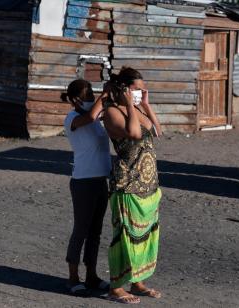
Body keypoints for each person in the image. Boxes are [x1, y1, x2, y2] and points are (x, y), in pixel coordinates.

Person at [101, 67, 163, 304]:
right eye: (137, 90)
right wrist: (129, 105)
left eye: (142, 90)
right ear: (125, 90)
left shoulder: (138, 109)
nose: (140, 93)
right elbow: (135, 133)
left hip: (148, 183)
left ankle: (137, 281)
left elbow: (157, 131)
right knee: (126, 236)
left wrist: (145, 105)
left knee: (146, 235)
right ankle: (116, 287)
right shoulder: (112, 112)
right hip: (127, 183)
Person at [61, 79, 111, 295]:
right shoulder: (72, 118)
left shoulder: (96, 120)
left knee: (96, 232)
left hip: (101, 180)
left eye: (93, 93)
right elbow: (90, 116)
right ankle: (73, 277)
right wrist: (104, 96)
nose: (92, 98)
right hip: (83, 182)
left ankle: (92, 274)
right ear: (75, 99)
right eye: (88, 94)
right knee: (81, 229)